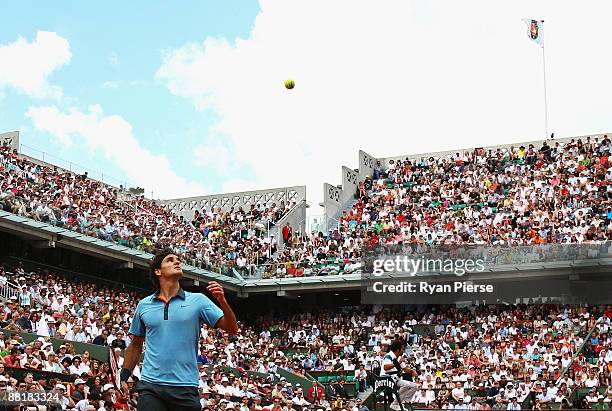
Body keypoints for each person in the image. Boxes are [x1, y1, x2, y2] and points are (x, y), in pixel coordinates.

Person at [120, 248, 239, 410]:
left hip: (185, 387)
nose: (177, 261)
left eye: (177, 259)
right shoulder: (144, 305)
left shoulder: (199, 300)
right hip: (151, 386)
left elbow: (232, 329)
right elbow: (135, 345)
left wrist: (223, 301)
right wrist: (124, 375)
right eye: (170, 260)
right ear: (158, 271)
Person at [380, 339, 419, 411]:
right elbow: (386, 367)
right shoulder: (389, 355)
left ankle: (402, 402)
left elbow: (405, 369)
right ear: (398, 350)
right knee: (406, 385)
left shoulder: (398, 357)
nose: (404, 351)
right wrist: (398, 362)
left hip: (395, 379)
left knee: (414, 386)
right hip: (386, 379)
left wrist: (413, 371)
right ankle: (395, 404)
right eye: (402, 349)